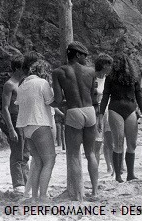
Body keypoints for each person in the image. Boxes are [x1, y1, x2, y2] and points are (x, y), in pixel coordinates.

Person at [52, 41, 99, 201]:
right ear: (77, 55)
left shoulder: (59, 72)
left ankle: (78, 195)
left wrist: (57, 102)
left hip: (73, 111)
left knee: (73, 155)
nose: (86, 58)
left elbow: (58, 99)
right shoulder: (91, 71)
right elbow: (93, 95)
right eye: (84, 55)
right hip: (89, 111)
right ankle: (94, 191)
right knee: (91, 153)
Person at [16, 59, 56, 202]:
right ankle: (43, 195)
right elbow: (51, 102)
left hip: (26, 127)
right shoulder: (42, 83)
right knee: (50, 160)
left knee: (38, 161)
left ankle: (34, 197)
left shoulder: (22, 85)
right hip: (40, 123)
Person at [100, 54, 142, 182]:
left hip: (130, 109)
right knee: (118, 142)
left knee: (132, 144)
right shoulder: (110, 78)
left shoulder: (133, 78)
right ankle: (118, 175)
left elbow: (139, 95)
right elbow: (105, 96)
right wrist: (100, 115)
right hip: (115, 109)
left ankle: (130, 174)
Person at [0, 54, 30, 192]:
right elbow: (5, 108)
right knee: (17, 152)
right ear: (18, 68)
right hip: (15, 118)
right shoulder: (9, 84)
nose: (26, 69)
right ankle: (18, 184)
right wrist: (11, 129)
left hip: (25, 119)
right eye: (24, 67)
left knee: (26, 152)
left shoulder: (24, 83)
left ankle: (27, 180)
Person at [93, 53, 114, 174]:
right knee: (97, 142)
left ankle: (110, 167)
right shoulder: (92, 78)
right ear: (103, 65)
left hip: (108, 111)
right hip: (97, 111)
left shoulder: (108, 79)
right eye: (109, 64)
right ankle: (95, 169)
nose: (111, 67)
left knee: (109, 141)